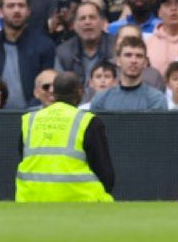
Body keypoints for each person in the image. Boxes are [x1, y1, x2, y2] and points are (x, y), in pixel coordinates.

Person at [15, 71, 113, 202]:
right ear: (80, 91)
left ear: (54, 92)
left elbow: (23, 156)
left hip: (31, 199)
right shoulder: (87, 121)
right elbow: (103, 170)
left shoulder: (30, 120)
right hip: (80, 199)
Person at [90, 35, 166, 110]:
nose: (133, 60)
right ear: (118, 60)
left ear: (145, 62)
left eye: (139, 56)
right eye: (128, 55)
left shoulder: (156, 99)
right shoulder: (100, 100)